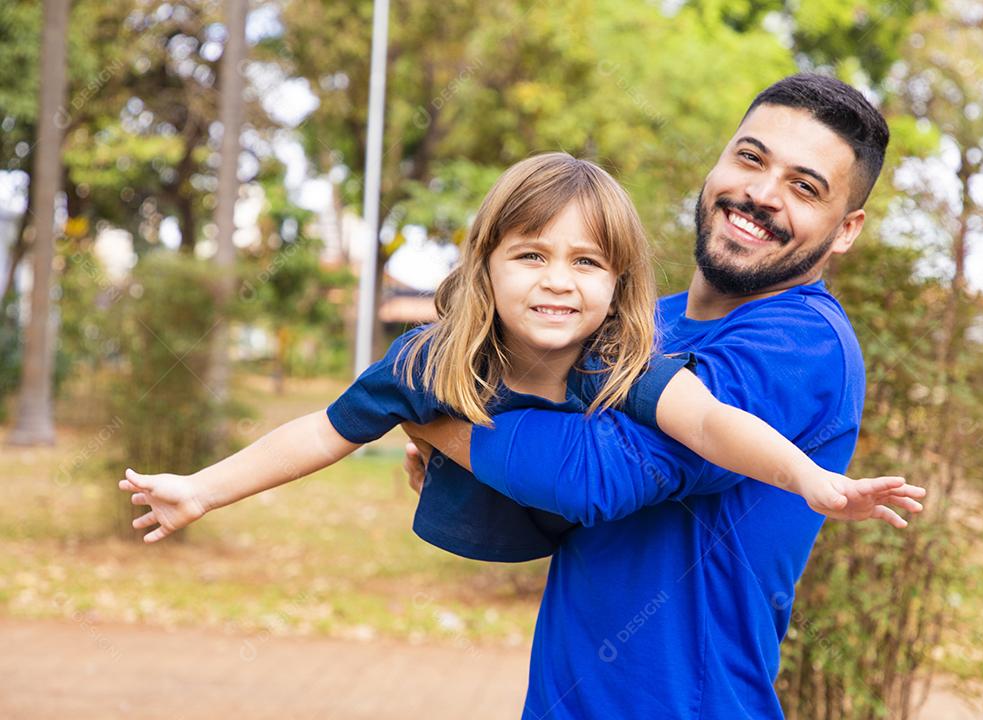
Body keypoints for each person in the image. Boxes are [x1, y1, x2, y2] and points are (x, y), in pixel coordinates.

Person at [118, 151, 919, 557]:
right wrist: (202, 489)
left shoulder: (618, 359)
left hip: (559, 523)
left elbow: (710, 425)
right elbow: (324, 430)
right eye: (531, 256)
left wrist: (811, 477)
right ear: (486, 265)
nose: (558, 283)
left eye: (587, 263)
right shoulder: (427, 362)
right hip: (474, 526)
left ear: (619, 283)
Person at [401, 73, 901, 719]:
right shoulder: (636, 325)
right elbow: (555, 512)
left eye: (804, 187)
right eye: (750, 158)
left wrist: (436, 421)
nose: (760, 194)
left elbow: (594, 476)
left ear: (846, 229)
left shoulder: (802, 345)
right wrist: (471, 472)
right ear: (718, 164)